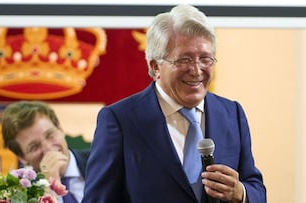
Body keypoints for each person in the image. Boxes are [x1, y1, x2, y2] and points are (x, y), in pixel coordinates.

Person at [82, 4, 266, 203]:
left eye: (205, 59)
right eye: (184, 59)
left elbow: (256, 188)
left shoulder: (231, 113)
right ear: (155, 66)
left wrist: (241, 193)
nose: (196, 70)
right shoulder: (120, 120)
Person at [1, 100, 89, 203]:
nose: (48, 149)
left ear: (60, 129)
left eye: (50, 135)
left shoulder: (105, 163)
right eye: (34, 147)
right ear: (22, 157)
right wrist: (50, 185)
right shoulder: (17, 195)